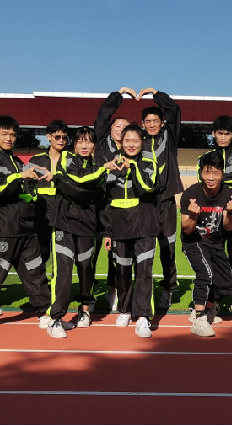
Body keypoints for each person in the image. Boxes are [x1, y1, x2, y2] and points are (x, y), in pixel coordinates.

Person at [0, 115, 53, 333]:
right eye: (4, 134)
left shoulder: (16, 161)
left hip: (26, 228)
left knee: (36, 271)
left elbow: (24, 193)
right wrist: (19, 176)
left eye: (13, 134)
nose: (9, 138)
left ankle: (45, 314)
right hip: (4, 228)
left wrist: (32, 185)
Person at [45, 127, 107, 336]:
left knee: (86, 269)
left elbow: (90, 190)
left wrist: (64, 182)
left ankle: (85, 310)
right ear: (74, 144)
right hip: (63, 222)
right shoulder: (65, 159)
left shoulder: (98, 168)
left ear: (95, 145)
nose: (84, 145)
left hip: (88, 225)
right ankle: (56, 319)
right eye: (80, 141)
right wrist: (66, 182)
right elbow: (78, 185)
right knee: (62, 271)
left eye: (88, 141)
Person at [101, 123, 158, 338]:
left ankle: (143, 317)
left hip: (144, 226)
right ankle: (125, 310)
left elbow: (147, 188)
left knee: (144, 273)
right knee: (122, 273)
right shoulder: (111, 164)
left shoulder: (149, 163)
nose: (131, 144)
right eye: (127, 141)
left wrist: (133, 167)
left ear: (142, 142)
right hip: (119, 228)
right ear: (121, 142)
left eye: (135, 140)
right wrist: (107, 231)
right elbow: (107, 201)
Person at [197, 116, 232, 321]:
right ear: (213, 134)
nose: (223, 137)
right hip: (211, 215)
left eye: (227, 133)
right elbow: (202, 179)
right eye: (219, 133)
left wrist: (217, 177)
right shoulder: (204, 157)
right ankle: (214, 302)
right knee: (213, 261)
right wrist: (224, 178)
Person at [180, 152, 232, 337]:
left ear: (222, 174)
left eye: (215, 173)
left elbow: (228, 227)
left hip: (216, 242)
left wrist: (231, 213)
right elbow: (186, 229)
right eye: (207, 172)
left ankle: (206, 309)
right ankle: (199, 320)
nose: (211, 178)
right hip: (194, 241)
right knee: (205, 274)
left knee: (226, 285)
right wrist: (193, 215)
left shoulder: (229, 194)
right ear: (200, 173)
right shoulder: (191, 194)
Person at [138, 87, 184, 309]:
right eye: (148, 121)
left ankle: (168, 289)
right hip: (144, 203)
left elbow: (174, 110)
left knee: (168, 249)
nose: (152, 124)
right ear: (143, 124)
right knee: (143, 250)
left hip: (166, 202)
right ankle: (138, 291)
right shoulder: (138, 142)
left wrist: (155, 93)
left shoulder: (170, 137)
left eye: (156, 120)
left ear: (162, 122)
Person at [93, 88, 134, 312]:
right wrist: (119, 94)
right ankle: (88, 294)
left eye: (124, 127)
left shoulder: (131, 150)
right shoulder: (101, 143)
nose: (120, 130)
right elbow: (102, 116)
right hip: (96, 204)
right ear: (110, 129)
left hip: (117, 207)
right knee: (90, 251)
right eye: (116, 126)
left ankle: (114, 290)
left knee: (115, 253)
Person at [28, 120, 71, 268]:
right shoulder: (36, 160)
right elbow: (27, 185)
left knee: (62, 255)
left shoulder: (71, 160)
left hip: (64, 212)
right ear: (49, 137)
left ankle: (58, 282)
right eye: (57, 137)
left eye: (64, 137)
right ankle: (40, 281)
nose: (61, 140)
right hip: (41, 213)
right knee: (42, 252)